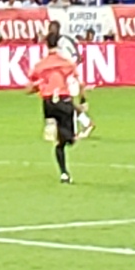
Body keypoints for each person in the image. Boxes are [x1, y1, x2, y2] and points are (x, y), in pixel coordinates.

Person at [31, 41, 86, 180]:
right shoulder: (66, 63)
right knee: (68, 139)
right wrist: (83, 100)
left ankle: (63, 173)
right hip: (63, 100)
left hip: (48, 102)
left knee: (59, 142)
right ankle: (66, 136)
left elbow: (30, 86)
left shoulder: (41, 65)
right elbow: (80, 83)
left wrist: (39, 86)